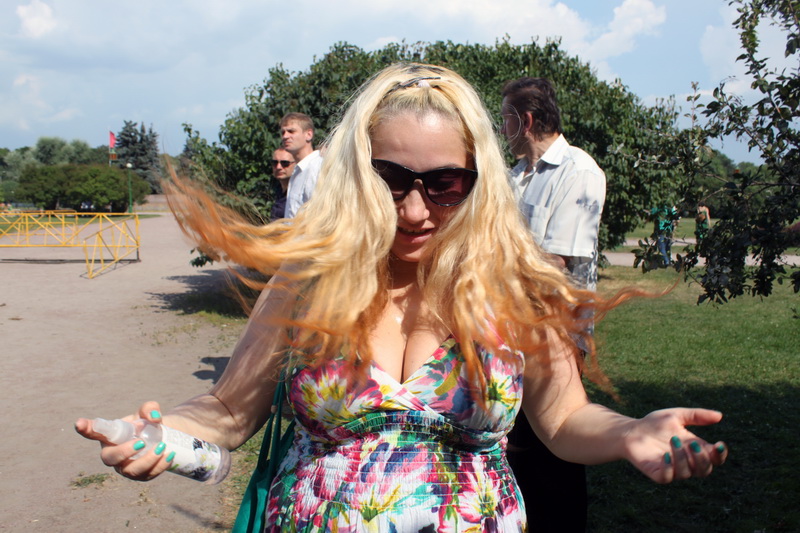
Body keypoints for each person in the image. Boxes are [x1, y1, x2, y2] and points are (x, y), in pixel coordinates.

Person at [76, 63, 727, 532]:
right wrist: (166, 432)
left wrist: (629, 432)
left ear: (478, 183)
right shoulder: (308, 283)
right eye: (390, 178)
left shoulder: (515, 290)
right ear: (357, 174)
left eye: (445, 184)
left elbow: (563, 420)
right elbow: (227, 408)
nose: (415, 211)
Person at [500, 76, 606, 531]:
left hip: (555, 337)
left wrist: (488, 264)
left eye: (504, 119)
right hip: (509, 331)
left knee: (555, 455)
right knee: (517, 449)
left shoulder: (578, 172)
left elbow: (555, 261)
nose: (501, 128)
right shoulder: (514, 176)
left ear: (525, 120)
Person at [280, 112, 322, 218]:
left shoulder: (318, 167)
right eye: (283, 132)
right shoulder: (297, 170)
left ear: (309, 135)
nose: (285, 136)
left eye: (291, 131)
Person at [269, 147, 296, 221]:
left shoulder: (299, 193)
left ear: (296, 164)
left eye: (285, 163)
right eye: (274, 163)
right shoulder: (278, 190)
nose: (278, 167)